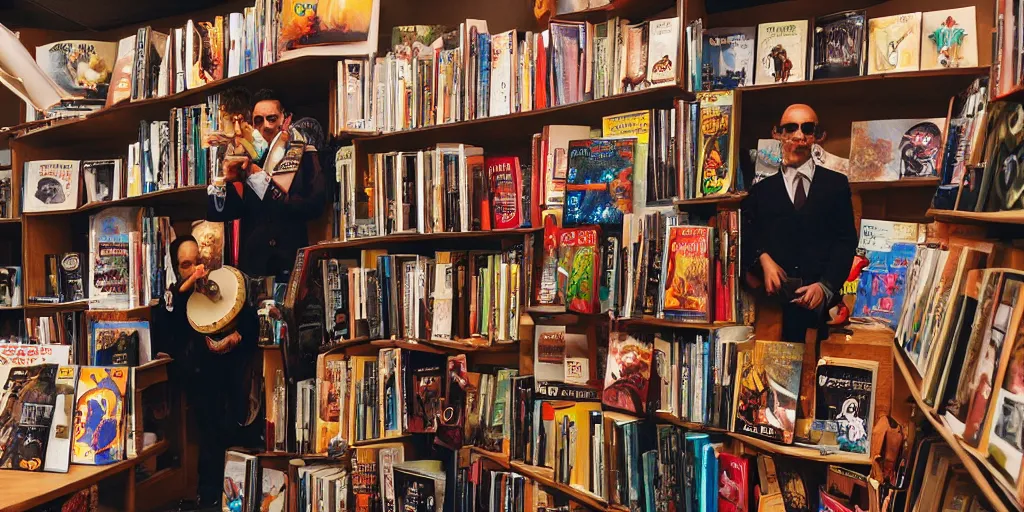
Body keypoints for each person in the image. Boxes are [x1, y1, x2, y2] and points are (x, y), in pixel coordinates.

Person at [155, 236, 260, 508]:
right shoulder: (175, 299)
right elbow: (165, 331)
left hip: (234, 378)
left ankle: (236, 493)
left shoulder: (223, 283)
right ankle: (210, 494)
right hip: (200, 379)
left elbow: (250, 320)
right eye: (187, 265)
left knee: (234, 428)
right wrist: (184, 291)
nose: (196, 270)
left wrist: (237, 336)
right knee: (210, 433)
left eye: (199, 262)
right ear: (178, 269)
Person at [741, 104, 857, 343]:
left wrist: (825, 287)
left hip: (821, 309)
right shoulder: (761, 191)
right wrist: (763, 258)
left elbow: (845, 242)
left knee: (814, 372)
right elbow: (748, 234)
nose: (799, 136)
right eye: (791, 128)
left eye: (807, 129)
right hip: (774, 309)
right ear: (778, 133)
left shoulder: (836, 185)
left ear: (817, 136)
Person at [207, 88, 327, 281]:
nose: (266, 126)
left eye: (272, 118)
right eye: (259, 120)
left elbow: (315, 204)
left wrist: (259, 178)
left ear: (285, 119)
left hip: (291, 265)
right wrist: (225, 180)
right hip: (254, 269)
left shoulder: (304, 153)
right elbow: (219, 214)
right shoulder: (244, 156)